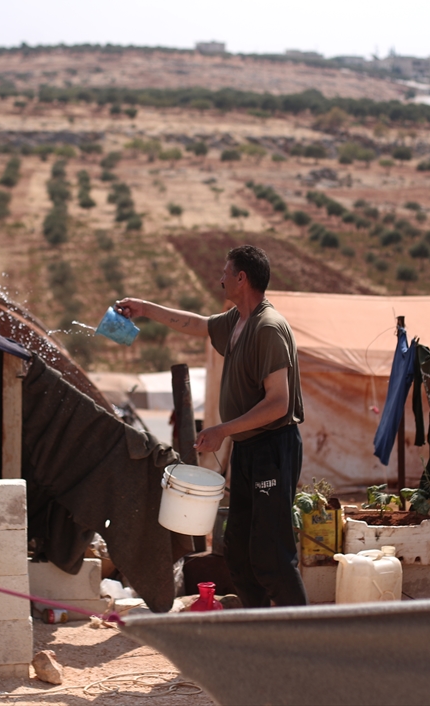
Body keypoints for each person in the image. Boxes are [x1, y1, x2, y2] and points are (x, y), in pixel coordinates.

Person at [115, 245, 308, 607]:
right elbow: (195, 324)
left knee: (271, 554)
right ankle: (256, 628)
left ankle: (301, 637)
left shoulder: (268, 328)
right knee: (237, 551)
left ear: (242, 278)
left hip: (273, 447)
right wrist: (145, 309)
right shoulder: (237, 321)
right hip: (249, 449)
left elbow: (279, 402)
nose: (219, 278)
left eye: (225, 271)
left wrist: (222, 429)